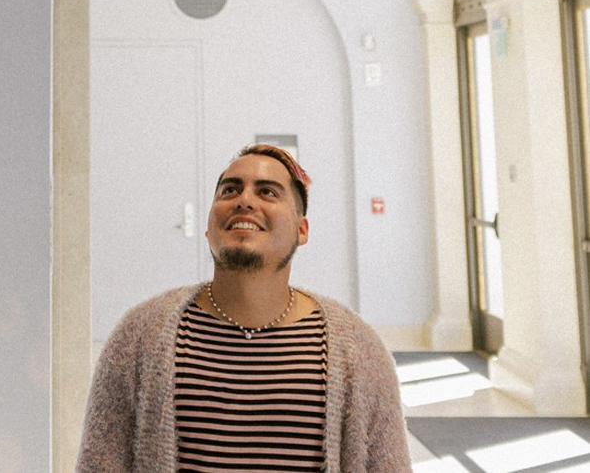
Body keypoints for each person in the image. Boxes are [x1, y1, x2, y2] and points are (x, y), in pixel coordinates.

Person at [76, 145, 412, 473]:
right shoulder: (139, 336)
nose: (244, 200)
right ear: (209, 227)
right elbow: (99, 463)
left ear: (302, 230)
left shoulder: (360, 351)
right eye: (230, 190)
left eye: (267, 192)